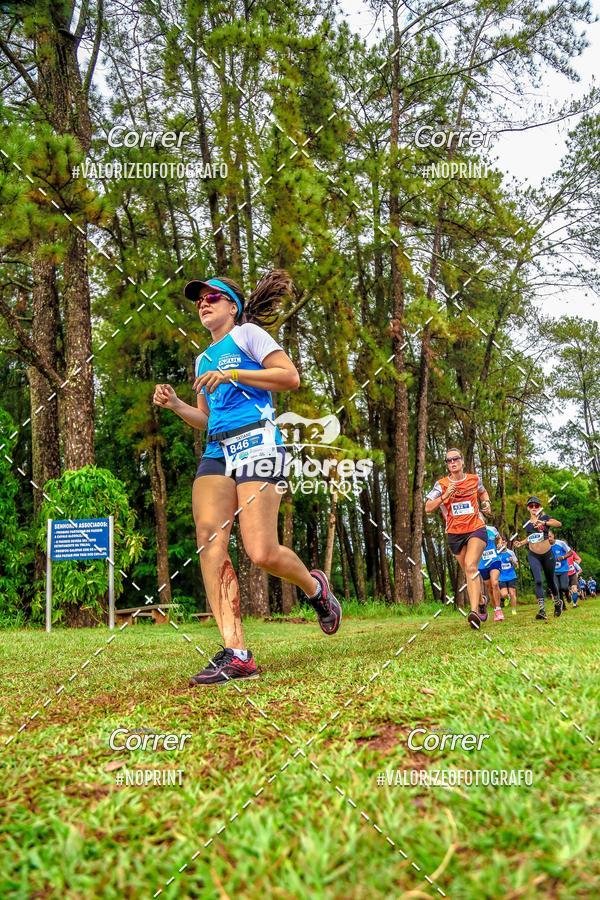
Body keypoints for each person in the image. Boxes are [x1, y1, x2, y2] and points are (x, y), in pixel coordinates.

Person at [153, 271, 342, 686]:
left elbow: (289, 377)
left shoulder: (249, 336)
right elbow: (205, 419)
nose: (204, 303)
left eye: (212, 297)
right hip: (217, 449)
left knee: (261, 551)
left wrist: (235, 374)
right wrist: (177, 405)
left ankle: (316, 589)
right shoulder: (202, 359)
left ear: (232, 307)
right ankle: (237, 653)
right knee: (209, 537)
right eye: (199, 300)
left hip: (258, 443)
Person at [425, 449, 493, 629]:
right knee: (469, 571)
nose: (452, 462)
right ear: (447, 464)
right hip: (454, 533)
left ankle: (473, 613)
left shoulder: (474, 479)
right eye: (449, 460)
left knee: (471, 566)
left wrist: (486, 503)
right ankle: (481, 600)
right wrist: (445, 496)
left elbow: (483, 492)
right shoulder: (441, 484)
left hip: (476, 528)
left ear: (462, 461)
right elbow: (428, 507)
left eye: (456, 459)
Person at [514, 496, 562, 620]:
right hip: (533, 555)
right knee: (538, 581)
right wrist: (521, 543)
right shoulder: (526, 523)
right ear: (528, 508)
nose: (534, 508)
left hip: (547, 554)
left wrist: (545, 523)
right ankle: (542, 610)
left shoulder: (545, 518)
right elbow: (531, 537)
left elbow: (558, 524)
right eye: (531, 506)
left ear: (540, 507)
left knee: (551, 581)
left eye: (536, 505)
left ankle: (557, 603)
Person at [477, 524, 504, 621]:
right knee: (489, 587)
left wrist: (499, 543)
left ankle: (499, 609)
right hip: (482, 563)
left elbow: (499, 537)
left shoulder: (492, 529)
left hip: (494, 559)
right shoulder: (473, 531)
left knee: (495, 582)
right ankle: (495, 609)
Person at [548, 530, 572, 612]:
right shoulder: (546, 546)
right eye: (547, 537)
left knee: (564, 587)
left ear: (553, 536)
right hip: (553, 571)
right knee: (557, 589)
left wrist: (563, 557)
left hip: (563, 569)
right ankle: (563, 606)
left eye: (550, 536)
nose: (549, 538)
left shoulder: (561, 543)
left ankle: (568, 594)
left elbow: (570, 552)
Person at [498, 537, 519, 616]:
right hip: (501, 577)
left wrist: (512, 561)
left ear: (506, 543)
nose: (503, 544)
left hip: (511, 576)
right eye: (501, 542)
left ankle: (513, 609)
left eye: (504, 542)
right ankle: (506, 598)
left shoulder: (511, 553)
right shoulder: (497, 553)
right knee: (504, 594)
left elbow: (517, 565)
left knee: (512, 593)